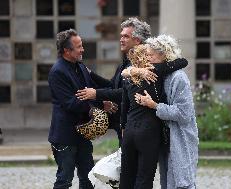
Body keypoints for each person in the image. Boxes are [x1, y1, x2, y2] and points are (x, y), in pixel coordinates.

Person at [75, 17, 156, 145]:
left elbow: (127, 92)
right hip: (123, 125)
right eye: (121, 36)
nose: (121, 40)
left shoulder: (142, 66)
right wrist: (90, 74)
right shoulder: (125, 63)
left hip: (136, 126)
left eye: (125, 36)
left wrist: (96, 93)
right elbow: (113, 85)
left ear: (137, 41)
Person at [119, 43, 188, 189]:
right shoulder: (156, 70)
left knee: (126, 177)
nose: (150, 57)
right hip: (148, 132)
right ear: (144, 58)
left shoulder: (128, 79)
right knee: (144, 178)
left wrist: (132, 70)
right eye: (148, 54)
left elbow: (124, 106)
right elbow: (183, 61)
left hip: (129, 131)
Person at [48, 29, 111, 189]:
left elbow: (92, 90)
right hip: (65, 136)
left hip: (82, 135)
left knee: (88, 178)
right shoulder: (57, 71)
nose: (82, 49)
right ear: (66, 51)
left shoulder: (80, 66)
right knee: (64, 180)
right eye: (78, 47)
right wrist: (98, 107)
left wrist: (103, 99)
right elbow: (70, 103)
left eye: (82, 45)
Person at [134, 35, 199, 189]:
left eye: (150, 55)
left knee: (182, 183)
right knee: (168, 183)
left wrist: (154, 105)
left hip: (180, 137)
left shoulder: (179, 78)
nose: (147, 59)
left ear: (163, 55)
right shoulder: (160, 74)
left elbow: (184, 114)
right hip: (165, 139)